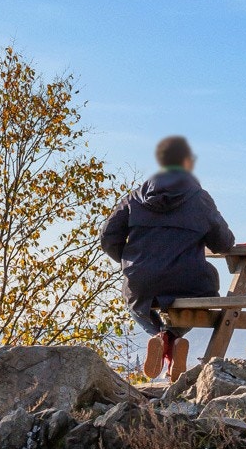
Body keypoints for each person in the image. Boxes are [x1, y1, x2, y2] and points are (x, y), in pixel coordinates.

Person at [101, 135, 237, 380]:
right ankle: (173, 336)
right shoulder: (199, 198)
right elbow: (223, 243)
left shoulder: (134, 198)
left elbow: (107, 236)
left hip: (142, 279)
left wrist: (131, 261)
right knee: (209, 295)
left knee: (132, 297)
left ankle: (159, 336)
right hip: (190, 279)